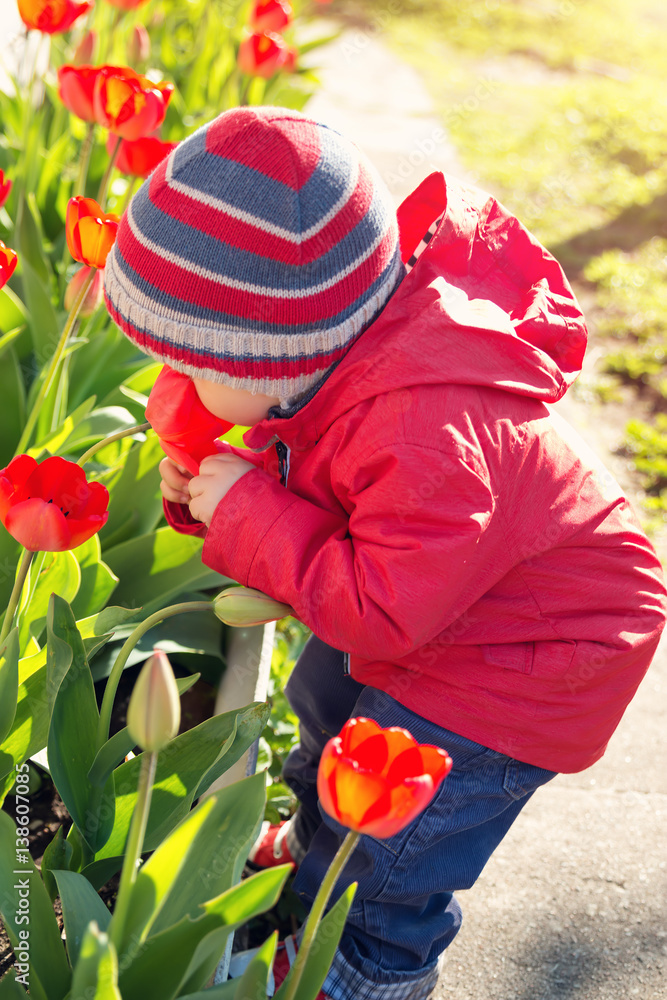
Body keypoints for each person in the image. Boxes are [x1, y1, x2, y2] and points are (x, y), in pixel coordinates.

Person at [103, 105, 666, 1000]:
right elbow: (314, 453)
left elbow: (384, 609)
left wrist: (249, 511)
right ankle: (309, 843)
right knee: (324, 700)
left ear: (274, 356)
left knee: (394, 852)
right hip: (450, 596)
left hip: (529, 655)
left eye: (195, 365)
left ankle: (363, 973)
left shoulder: (425, 431)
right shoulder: (342, 361)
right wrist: (228, 491)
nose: (178, 386)